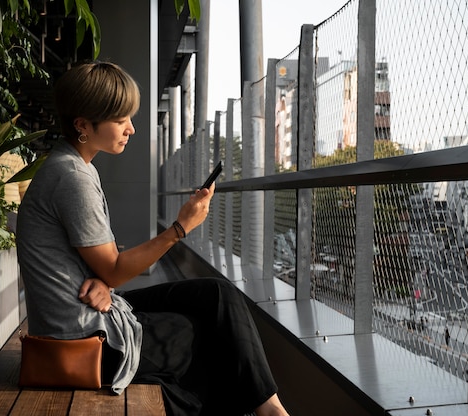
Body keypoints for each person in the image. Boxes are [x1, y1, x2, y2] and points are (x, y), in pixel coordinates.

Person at [16, 60, 290, 416]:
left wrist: (102, 278)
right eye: (120, 120)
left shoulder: (75, 166)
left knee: (214, 295)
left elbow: (97, 262)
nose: (130, 128)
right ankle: (269, 411)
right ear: (83, 125)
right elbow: (114, 267)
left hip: (89, 312)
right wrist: (180, 229)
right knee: (202, 336)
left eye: (129, 117)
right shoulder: (72, 178)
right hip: (84, 340)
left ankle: (270, 409)